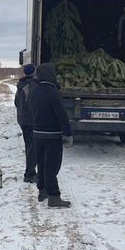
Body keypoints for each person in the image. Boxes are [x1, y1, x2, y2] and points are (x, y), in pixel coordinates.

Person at [26, 63, 73, 208]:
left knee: (41, 164)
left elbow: (29, 110)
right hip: (52, 135)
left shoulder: (33, 91)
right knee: (52, 167)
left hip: (37, 135)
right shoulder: (53, 92)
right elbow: (61, 115)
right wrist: (68, 133)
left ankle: (42, 191)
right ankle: (54, 197)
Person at [14, 64, 38, 183]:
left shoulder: (20, 85)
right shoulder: (32, 85)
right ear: (34, 73)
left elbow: (16, 102)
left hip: (23, 120)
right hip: (29, 121)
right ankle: (29, 174)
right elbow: (33, 104)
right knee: (31, 148)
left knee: (30, 146)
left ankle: (31, 171)